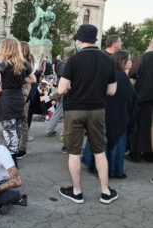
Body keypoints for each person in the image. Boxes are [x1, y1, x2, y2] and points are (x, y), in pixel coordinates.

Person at [57, 24, 118, 204]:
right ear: (95, 40)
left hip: (75, 110)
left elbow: (61, 89)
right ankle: (105, 192)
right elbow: (112, 91)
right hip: (97, 110)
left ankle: (77, 192)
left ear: (79, 40)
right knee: (99, 151)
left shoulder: (74, 60)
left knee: (74, 152)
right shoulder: (108, 60)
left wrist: (73, 87)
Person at [82, 50, 136, 178]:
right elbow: (131, 97)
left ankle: (94, 166)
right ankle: (112, 169)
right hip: (118, 115)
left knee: (99, 141)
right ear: (121, 61)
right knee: (115, 142)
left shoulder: (107, 74)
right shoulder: (122, 77)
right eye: (128, 59)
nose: (131, 62)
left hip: (102, 114)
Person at [0, 37, 35, 161]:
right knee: (15, 129)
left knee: (8, 130)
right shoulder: (25, 64)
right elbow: (33, 79)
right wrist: (22, 79)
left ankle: (12, 160)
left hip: (7, 99)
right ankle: (13, 155)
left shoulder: (4, 64)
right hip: (19, 99)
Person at [128, 38, 153, 163]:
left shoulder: (145, 57)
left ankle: (136, 153)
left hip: (143, 96)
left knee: (139, 124)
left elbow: (132, 72)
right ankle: (149, 154)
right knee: (150, 126)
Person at [15, 41, 35, 159]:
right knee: (20, 122)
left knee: (23, 122)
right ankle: (19, 146)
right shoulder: (24, 61)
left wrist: (25, 98)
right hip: (21, 95)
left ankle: (22, 148)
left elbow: (30, 82)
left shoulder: (26, 63)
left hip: (23, 96)